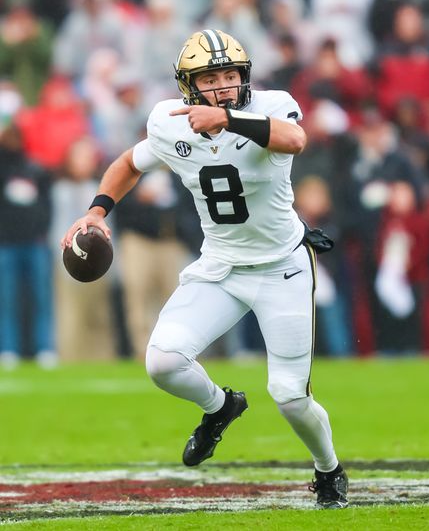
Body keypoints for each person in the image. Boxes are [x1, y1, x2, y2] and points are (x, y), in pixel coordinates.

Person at [60, 29, 348, 508]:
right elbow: (131, 163)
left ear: (245, 77)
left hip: (283, 268)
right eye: (210, 78)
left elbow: (295, 139)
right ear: (188, 86)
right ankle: (220, 407)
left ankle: (328, 469)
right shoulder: (171, 123)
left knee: (289, 396)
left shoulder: (272, 106)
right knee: (163, 362)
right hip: (221, 266)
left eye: (230, 74)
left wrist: (230, 118)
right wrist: (96, 211)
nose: (223, 85)